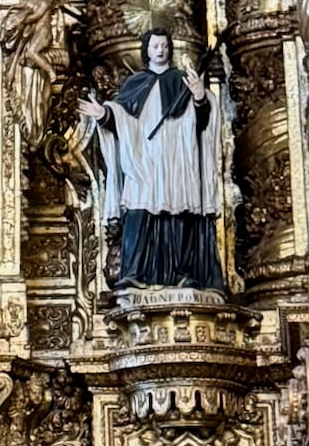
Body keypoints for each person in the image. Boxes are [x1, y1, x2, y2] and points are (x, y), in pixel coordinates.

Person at [80, 26, 225, 290]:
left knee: (177, 213)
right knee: (138, 211)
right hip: (143, 160)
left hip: (177, 160)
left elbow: (202, 122)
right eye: (155, 46)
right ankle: (135, 271)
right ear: (146, 51)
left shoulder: (182, 80)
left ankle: (180, 273)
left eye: (165, 46)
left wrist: (199, 96)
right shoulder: (135, 84)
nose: (161, 50)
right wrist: (103, 113)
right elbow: (121, 118)